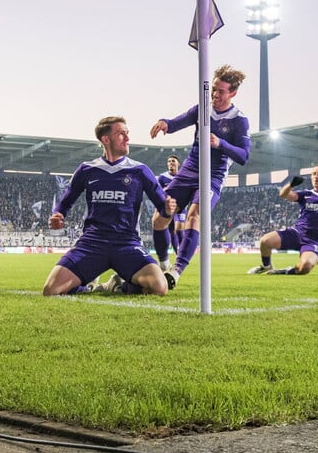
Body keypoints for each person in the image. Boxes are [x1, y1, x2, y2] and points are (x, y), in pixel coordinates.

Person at [42, 116, 176, 296]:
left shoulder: (140, 170)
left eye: (127, 134)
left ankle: (120, 285)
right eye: (122, 134)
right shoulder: (86, 169)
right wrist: (57, 215)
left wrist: (168, 210)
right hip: (92, 243)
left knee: (160, 288)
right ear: (106, 139)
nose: (128, 138)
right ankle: (87, 286)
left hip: (127, 243)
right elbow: (65, 202)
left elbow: (162, 207)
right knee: (51, 290)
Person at [149, 64, 251, 289]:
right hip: (190, 169)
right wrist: (165, 123)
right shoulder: (202, 108)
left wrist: (220, 143)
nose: (215, 94)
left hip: (213, 175)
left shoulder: (239, 120)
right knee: (159, 216)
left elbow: (244, 156)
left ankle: (176, 272)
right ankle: (164, 265)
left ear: (233, 93)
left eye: (221, 91)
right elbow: (178, 122)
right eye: (214, 89)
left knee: (194, 216)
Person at [247, 164, 318, 276]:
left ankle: (287, 271)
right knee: (265, 241)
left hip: (313, 241)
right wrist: (291, 185)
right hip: (296, 233)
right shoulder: (306, 194)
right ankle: (266, 266)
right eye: (313, 174)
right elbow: (283, 195)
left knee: (305, 267)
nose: (316, 177)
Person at [154, 155, 186, 259]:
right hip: (168, 207)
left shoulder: (183, 176)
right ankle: (178, 254)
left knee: (179, 228)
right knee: (171, 231)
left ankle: (182, 254)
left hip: (180, 206)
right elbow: (157, 192)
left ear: (178, 164)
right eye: (169, 161)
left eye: (173, 161)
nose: (170, 163)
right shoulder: (162, 177)